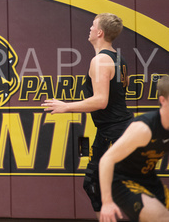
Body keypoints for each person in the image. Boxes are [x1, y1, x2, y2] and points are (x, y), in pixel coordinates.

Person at [42, 13, 132, 216]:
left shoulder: (100, 61)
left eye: (93, 25)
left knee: (100, 185)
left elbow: (101, 101)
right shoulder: (119, 58)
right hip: (113, 130)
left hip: (115, 131)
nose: (89, 28)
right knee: (97, 185)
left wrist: (66, 107)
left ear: (100, 32)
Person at [99, 75, 169, 222]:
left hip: (148, 179)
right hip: (121, 180)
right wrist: (106, 202)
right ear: (163, 100)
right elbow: (106, 160)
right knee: (162, 217)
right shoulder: (144, 129)